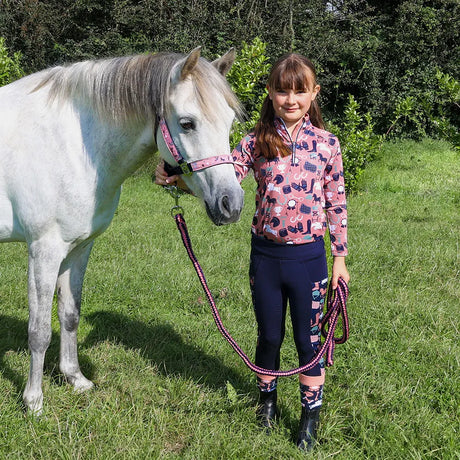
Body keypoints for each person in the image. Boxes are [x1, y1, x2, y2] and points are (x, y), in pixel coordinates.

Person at [155, 53, 349, 451]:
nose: (290, 99)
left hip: (309, 259)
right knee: (269, 337)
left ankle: (309, 417)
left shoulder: (328, 145)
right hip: (265, 258)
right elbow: (222, 177)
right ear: (270, 93)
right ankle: (267, 405)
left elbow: (336, 205)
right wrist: (173, 179)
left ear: (314, 93)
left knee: (309, 341)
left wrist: (340, 260)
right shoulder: (256, 141)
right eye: (282, 90)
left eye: (299, 91)